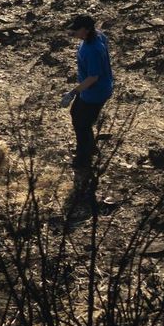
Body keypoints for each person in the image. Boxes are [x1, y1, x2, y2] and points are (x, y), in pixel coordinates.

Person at [64, 14, 114, 199]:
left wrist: (73, 92)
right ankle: (88, 147)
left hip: (95, 93)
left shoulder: (92, 49)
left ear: (85, 30)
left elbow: (93, 77)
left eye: (76, 29)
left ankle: (84, 159)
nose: (73, 32)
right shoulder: (98, 36)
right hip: (92, 91)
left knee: (82, 124)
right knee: (76, 114)